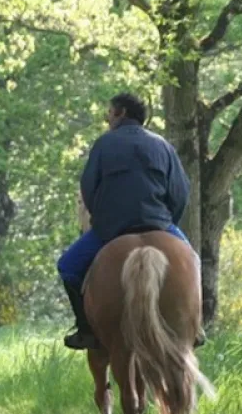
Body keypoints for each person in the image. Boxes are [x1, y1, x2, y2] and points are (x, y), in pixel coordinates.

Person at [58, 92, 196, 350]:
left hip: (111, 228)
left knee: (68, 267)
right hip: (159, 224)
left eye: (109, 113)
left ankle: (86, 329)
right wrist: (166, 223)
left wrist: (102, 220)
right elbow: (180, 191)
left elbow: (89, 187)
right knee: (193, 262)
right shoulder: (163, 145)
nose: (108, 119)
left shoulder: (103, 144)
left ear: (120, 113)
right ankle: (194, 325)